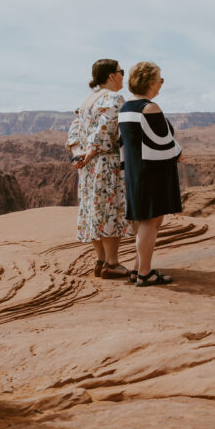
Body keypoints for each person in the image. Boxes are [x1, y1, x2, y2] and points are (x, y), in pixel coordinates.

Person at [67, 59, 133, 279]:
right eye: (121, 72)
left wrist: (80, 154)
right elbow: (106, 127)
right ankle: (112, 264)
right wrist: (93, 152)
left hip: (87, 166)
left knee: (95, 211)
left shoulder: (87, 101)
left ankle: (101, 261)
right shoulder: (113, 97)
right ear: (111, 75)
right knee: (110, 211)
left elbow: (74, 131)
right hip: (106, 163)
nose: (123, 76)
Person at [118, 61, 183, 287]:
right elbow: (165, 141)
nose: (161, 85)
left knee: (146, 220)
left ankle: (138, 268)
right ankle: (145, 273)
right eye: (160, 80)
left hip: (137, 171)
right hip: (153, 172)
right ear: (150, 82)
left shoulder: (126, 108)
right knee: (150, 220)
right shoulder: (150, 108)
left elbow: (124, 142)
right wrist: (179, 154)